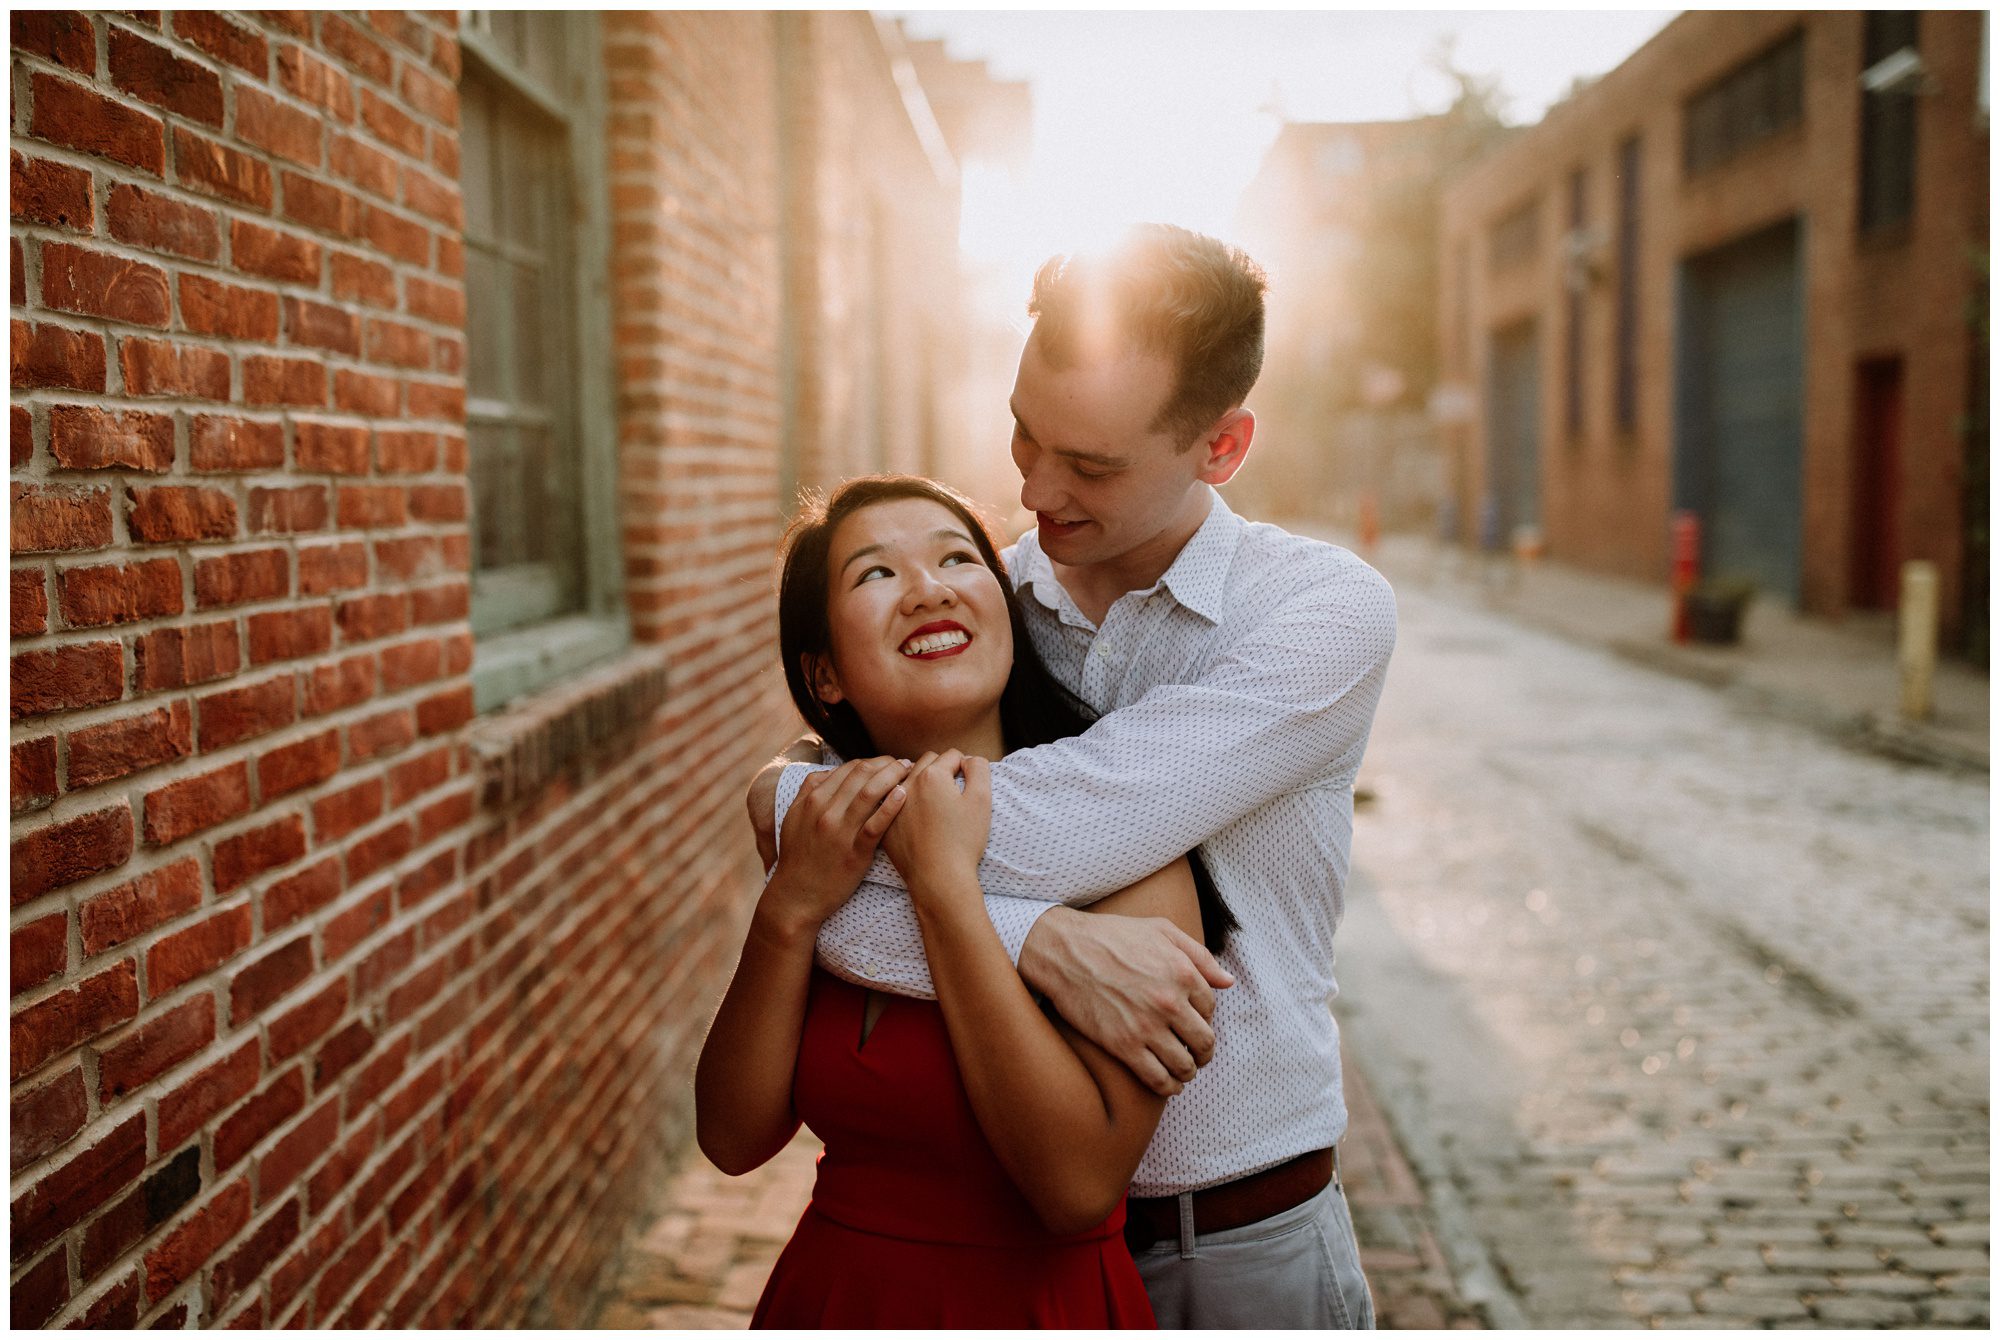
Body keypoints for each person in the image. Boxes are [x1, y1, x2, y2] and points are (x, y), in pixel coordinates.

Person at [750, 224, 1397, 1327]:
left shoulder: (1317, 615)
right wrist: (1045, 941)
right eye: (1021, 433)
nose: (1035, 492)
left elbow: (1032, 830)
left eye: (1090, 464)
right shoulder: (981, 604)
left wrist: (828, 855)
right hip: (1000, 1254)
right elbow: (804, 798)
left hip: (1231, 1244)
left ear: (1222, 446)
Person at [696, 475, 1237, 1327]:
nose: (929, 588)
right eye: (875, 574)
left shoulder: (1124, 849)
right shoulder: (835, 842)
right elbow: (732, 1138)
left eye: (957, 558)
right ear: (825, 673)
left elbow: (1076, 1187)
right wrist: (789, 909)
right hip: (832, 1299)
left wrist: (947, 888)